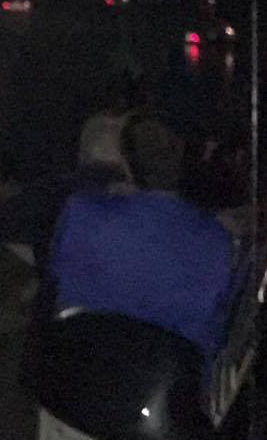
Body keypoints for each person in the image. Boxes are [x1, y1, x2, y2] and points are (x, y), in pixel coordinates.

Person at [33, 115, 234, 440]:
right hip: (166, 415)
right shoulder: (219, 242)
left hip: (77, 397)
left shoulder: (83, 214)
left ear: (126, 163)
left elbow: (55, 281)